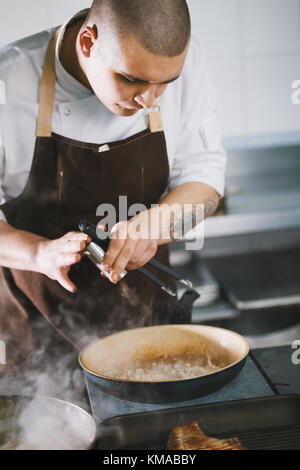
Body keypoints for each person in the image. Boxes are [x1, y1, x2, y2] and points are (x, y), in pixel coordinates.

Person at [0, 0, 226, 372]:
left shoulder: (181, 61)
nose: (147, 100)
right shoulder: (9, 80)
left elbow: (206, 177)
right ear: (88, 43)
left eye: (165, 84)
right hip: (34, 342)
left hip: (146, 332)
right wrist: (38, 254)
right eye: (132, 79)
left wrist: (155, 225)